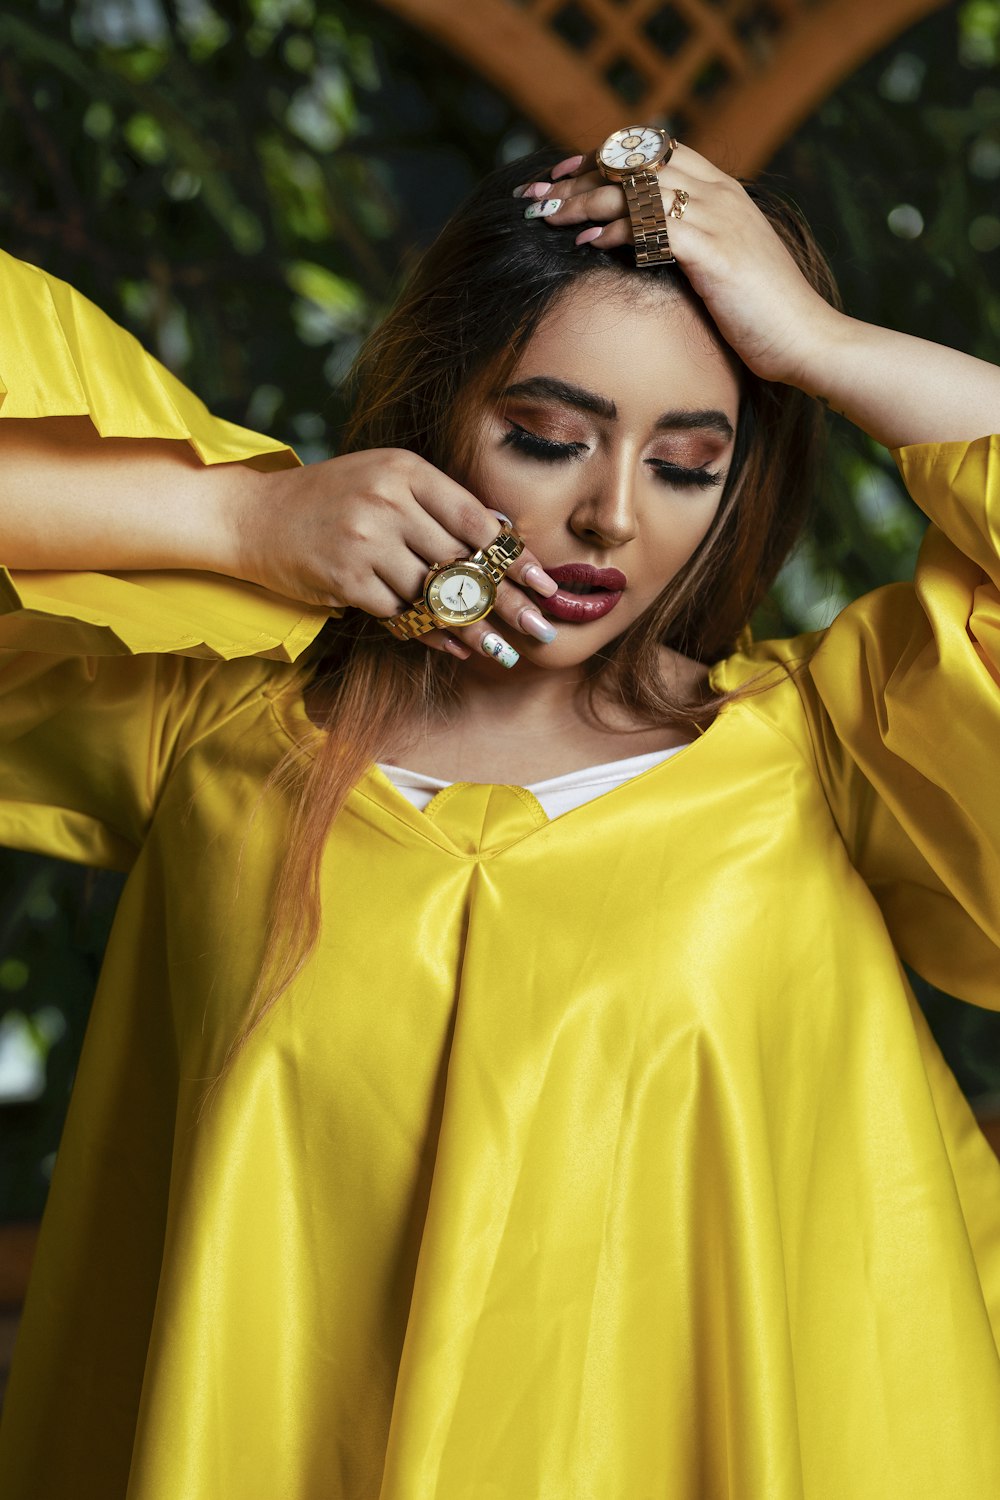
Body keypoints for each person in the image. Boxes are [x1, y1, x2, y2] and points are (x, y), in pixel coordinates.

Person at [0, 132, 999, 1499]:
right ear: (436, 412)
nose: (609, 516)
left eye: (687, 465)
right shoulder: (213, 746)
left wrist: (824, 345)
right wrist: (236, 521)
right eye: (545, 438)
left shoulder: (830, 757)